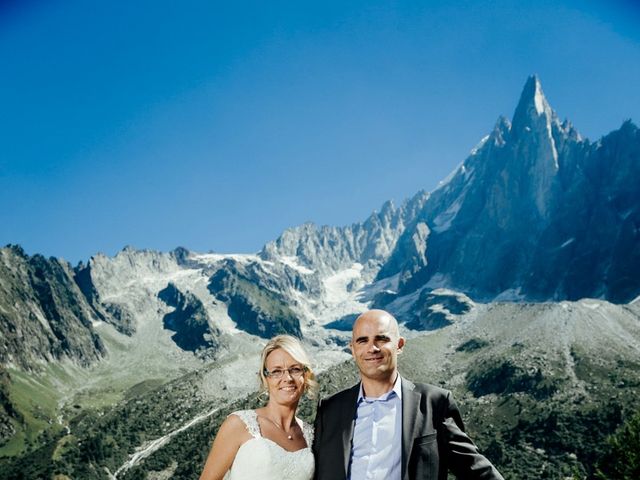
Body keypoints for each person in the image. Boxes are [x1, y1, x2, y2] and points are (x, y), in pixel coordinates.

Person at [313, 309, 504, 480]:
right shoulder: (329, 409)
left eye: (382, 339)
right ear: (353, 350)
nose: (372, 348)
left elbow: (476, 470)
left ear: (400, 345)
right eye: (363, 340)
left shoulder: (434, 403)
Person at [200, 335, 317, 480]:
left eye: (295, 369)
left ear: (305, 375)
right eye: (276, 371)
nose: (287, 378)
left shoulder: (310, 435)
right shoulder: (239, 424)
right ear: (265, 379)